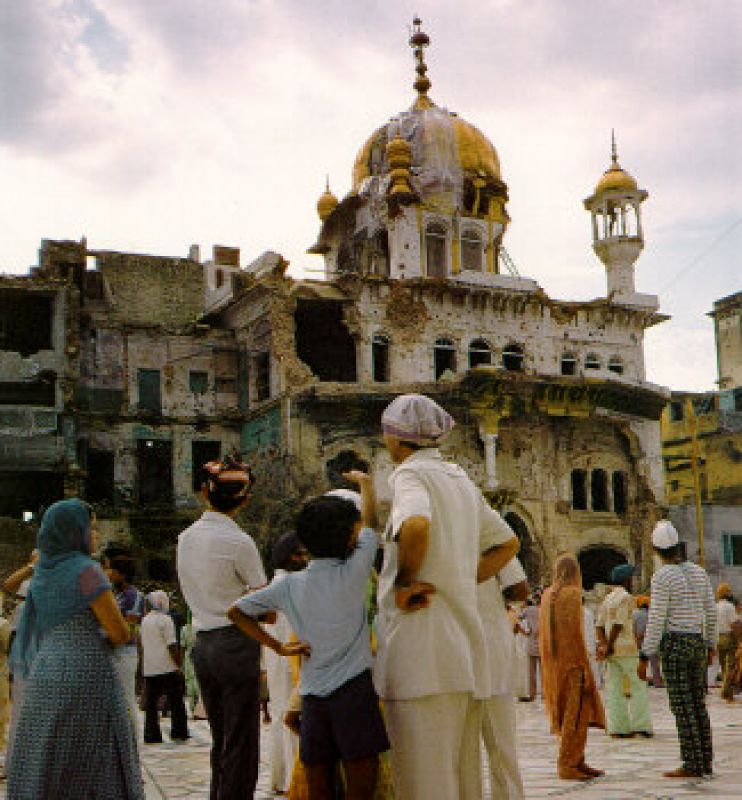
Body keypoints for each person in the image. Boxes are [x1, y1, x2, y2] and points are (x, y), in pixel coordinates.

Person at [374, 393, 520, 800]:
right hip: (464, 656)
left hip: (422, 656)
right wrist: (458, 577)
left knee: (424, 781)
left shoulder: (409, 475)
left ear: (395, 437)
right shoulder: (458, 478)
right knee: (462, 778)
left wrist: (406, 581)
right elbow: (507, 542)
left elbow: (416, 523)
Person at [228, 471, 389, 800]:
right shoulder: (355, 572)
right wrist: (365, 485)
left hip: (313, 696)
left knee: (318, 782)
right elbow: (371, 526)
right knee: (361, 781)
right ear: (349, 538)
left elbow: (236, 611)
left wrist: (278, 647)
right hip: (355, 691)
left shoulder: (289, 584)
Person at [6, 499, 144, 798]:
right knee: (92, 754)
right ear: (73, 531)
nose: (95, 534)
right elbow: (119, 632)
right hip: (87, 670)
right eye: (90, 527)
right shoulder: (87, 571)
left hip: (45, 671)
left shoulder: (42, 572)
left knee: (50, 752)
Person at [177, 455, 268, 800]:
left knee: (221, 737)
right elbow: (262, 601)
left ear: (205, 492)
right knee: (241, 739)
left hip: (203, 643)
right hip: (236, 642)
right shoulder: (239, 542)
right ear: (245, 498)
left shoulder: (185, 538)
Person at [638, 520, 717, 778]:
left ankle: (692, 764)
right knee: (698, 704)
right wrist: (710, 644)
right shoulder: (699, 572)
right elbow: (710, 611)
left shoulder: (662, 577)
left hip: (675, 644)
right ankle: (705, 760)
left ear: (656, 550)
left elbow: (657, 618)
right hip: (697, 642)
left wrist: (645, 654)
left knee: (683, 706)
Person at [540, 553, 605, 781]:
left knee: (570, 712)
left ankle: (577, 759)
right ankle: (567, 763)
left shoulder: (547, 595)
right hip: (573, 663)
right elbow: (575, 633)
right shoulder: (572, 595)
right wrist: (584, 665)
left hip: (555, 664)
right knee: (575, 714)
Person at [478, 557, 526, 799]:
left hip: (455, 650)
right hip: (489, 650)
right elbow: (519, 588)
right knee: (500, 743)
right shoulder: (490, 538)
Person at [264, 532, 308, 796]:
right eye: (301, 554)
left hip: (276, 657)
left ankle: (280, 777)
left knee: (280, 713)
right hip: (290, 655)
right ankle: (292, 777)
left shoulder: (273, 584)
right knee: (292, 714)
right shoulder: (293, 585)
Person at [596, 564, 652, 738]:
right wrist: (610, 644)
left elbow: (599, 625)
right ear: (626, 580)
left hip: (611, 652)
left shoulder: (607, 599)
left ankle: (617, 728)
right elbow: (619, 624)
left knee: (614, 688)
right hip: (627, 648)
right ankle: (640, 726)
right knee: (638, 685)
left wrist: (604, 645)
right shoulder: (626, 598)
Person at [140, 590, 189, 744]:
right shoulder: (166, 620)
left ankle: (151, 735)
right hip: (167, 666)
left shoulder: (145, 620)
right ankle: (179, 731)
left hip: (150, 667)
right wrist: (179, 663)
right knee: (176, 701)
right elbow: (171, 644)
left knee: (151, 704)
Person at [103, 546, 143, 724]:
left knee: (126, 700)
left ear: (122, 574)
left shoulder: (132, 595)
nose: (110, 575)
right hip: (113, 650)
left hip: (125, 651)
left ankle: (132, 736)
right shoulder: (116, 595)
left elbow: (130, 624)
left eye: (112, 571)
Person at [715, 582, 739, 702]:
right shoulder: (729, 606)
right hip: (728, 637)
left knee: (723, 665)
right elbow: (734, 624)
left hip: (717, 638)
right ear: (726, 593)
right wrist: (739, 637)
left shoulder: (715, 606)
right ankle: (725, 691)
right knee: (731, 666)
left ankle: (727, 692)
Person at [520, 595, 541, 701]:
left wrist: (524, 632)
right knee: (544, 672)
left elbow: (517, 619)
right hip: (542, 644)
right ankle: (545, 695)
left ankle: (532, 694)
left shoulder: (528, 610)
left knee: (532, 672)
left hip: (531, 643)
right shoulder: (544, 610)